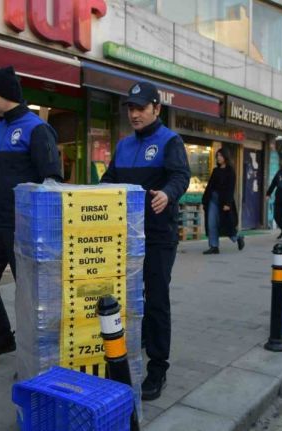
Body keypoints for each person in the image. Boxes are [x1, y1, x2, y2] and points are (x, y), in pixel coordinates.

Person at [101, 81, 190, 400]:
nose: (135, 114)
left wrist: (167, 194)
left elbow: (181, 176)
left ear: (156, 109)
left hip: (158, 236)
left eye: (141, 108)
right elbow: (109, 180)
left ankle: (158, 368)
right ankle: (129, 343)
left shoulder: (170, 141)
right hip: (125, 235)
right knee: (126, 297)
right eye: (131, 108)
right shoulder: (124, 145)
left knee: (156, 299)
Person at [0, 66, 62, 364]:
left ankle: (32, 354)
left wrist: (43, 231)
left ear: (6, 95)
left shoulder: (37, 129)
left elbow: (52, 183)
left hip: (23, 225)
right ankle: (2, 336)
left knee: (29, 294)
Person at [201, 149, 245, 254]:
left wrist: (227, 203)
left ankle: (238, 238)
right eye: (217, 156)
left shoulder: (230, 171)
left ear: (225, 157)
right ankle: (214, 246)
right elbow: (209, 186)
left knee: (226, 224)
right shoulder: (216, 170)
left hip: (224, 201)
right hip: (213, 199)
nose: (218, 157)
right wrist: (205, 199)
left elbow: (231, 188)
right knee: (211, 223)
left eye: (220, 155)